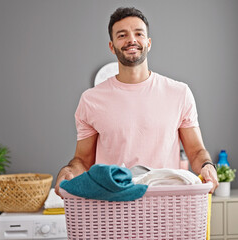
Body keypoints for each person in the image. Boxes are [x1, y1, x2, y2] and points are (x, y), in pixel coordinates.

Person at [55, 7, 218, 196]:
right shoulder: (91, 99)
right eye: (122, 35)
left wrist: (207, 166)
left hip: (164, 202)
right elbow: (82, 161)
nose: (131, 39)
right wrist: (68, 171)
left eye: (138, 33)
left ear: (148, 43)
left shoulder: (179, 93)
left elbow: (196, 151)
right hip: (112, 205)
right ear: (112, 46)